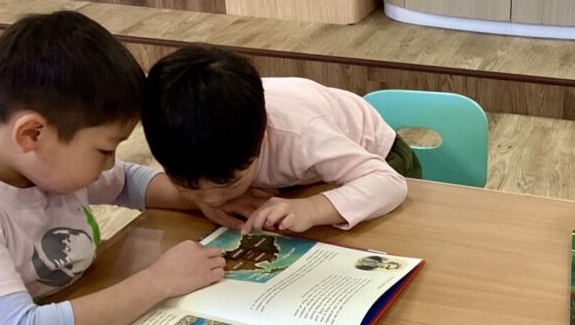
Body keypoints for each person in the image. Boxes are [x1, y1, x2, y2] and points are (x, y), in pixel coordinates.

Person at [0, 12, 227, 325]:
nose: (110, 163)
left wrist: (201, 197)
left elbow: (128, 182)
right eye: (105, 150)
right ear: (33, 134)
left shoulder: (34, 161)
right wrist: (159, 281)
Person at [141, 45, 420, 235]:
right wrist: (203, 203)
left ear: (263, 136)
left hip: (378, 158)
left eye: (229, 183)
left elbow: (389, 183)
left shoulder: (301, 134)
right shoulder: (180, 136)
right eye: (187, 185)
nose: (213, 198)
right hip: (303, 177)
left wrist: (313, 208)